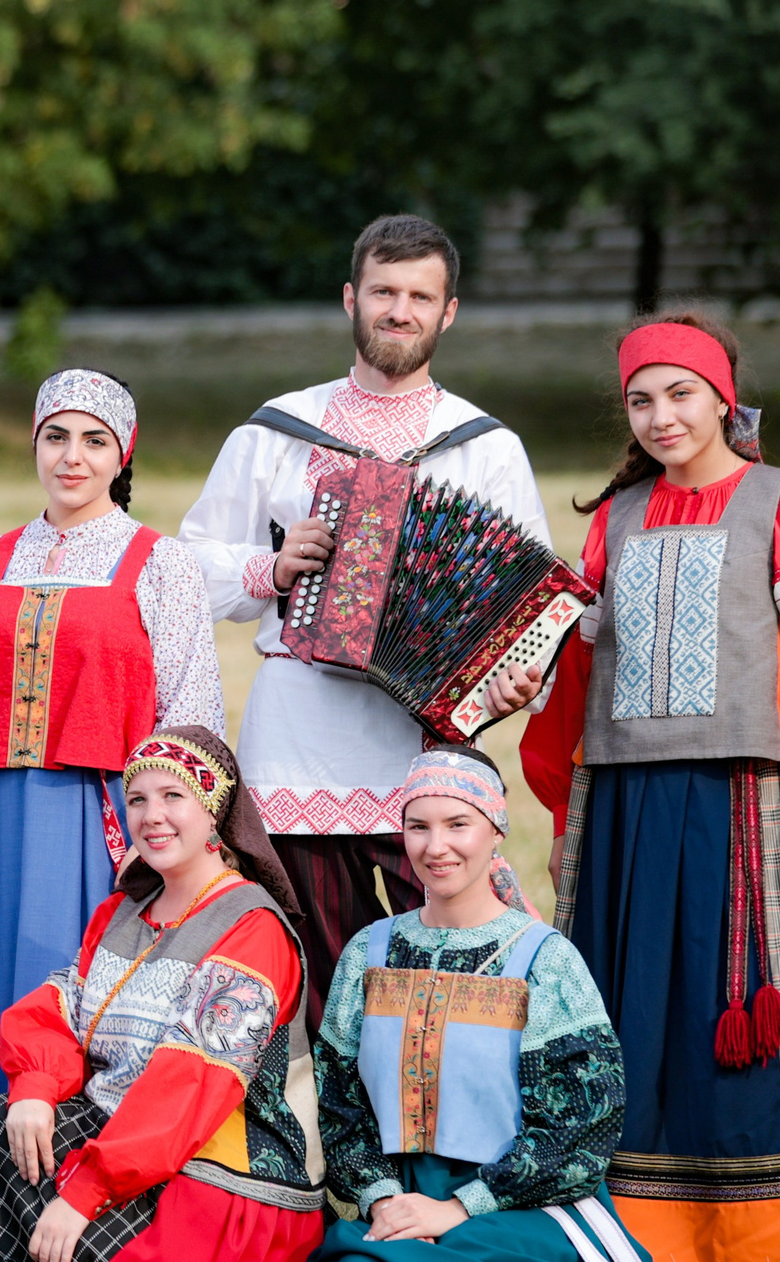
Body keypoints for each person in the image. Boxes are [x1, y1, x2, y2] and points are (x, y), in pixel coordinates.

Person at [520, 312, 780, 1262]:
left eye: (680, 394)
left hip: (740, 798)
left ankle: (776, 1238)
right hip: (624, 807)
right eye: (640, 399)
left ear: (724, 397)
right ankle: (628, 1231)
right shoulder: (612, 524)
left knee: (748, 1006)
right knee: (626, 1004)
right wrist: (561, 816)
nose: (660, 416)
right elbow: (574, 679)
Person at [235, 749, 763, 1262]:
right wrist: (383, 1199)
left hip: (522, 1202)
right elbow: (338, 1101)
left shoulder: (543, 960)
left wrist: (458, 1208)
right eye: (418, 826)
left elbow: (584, 1123)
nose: (437, 847)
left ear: (496, 831)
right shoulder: (369, 952)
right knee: (368, 1256)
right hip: (400, 1195)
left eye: (458, 824)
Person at [0, 368, 226, 1262]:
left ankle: (71, 1233)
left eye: (94, 440)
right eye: (55, 436)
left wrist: (172, 843)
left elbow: (193, 712)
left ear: (124, 455)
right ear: (34, 445)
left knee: (88, 1014)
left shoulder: (162, 564)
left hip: (105, 828)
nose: (71, 457)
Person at [179, 215, 549, 1028]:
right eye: (383, 291)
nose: (399, 310)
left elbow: (531, 604)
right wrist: (272, 569)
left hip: (422, 737)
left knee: (453, 948)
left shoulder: (485, 448)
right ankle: (324, 1143)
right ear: (352, 298)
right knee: (312, 957)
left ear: (448, 312)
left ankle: (441, 1128)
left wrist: (522, 679)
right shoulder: (278, 429)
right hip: (298, 734)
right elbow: (184, 569)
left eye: (420, 296)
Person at [0, 728, 324, 1262]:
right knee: (5, 1120)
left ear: (215, 812)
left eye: (173, 797)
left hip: (227, 1176)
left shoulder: (251, 926)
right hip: (139, 1143)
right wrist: (37, 1089)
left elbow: (189, 1089)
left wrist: (82, 1194)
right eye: (138, 800)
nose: (153, 818)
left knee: (104, 1254)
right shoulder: (123, 913)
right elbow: (57, 1007)